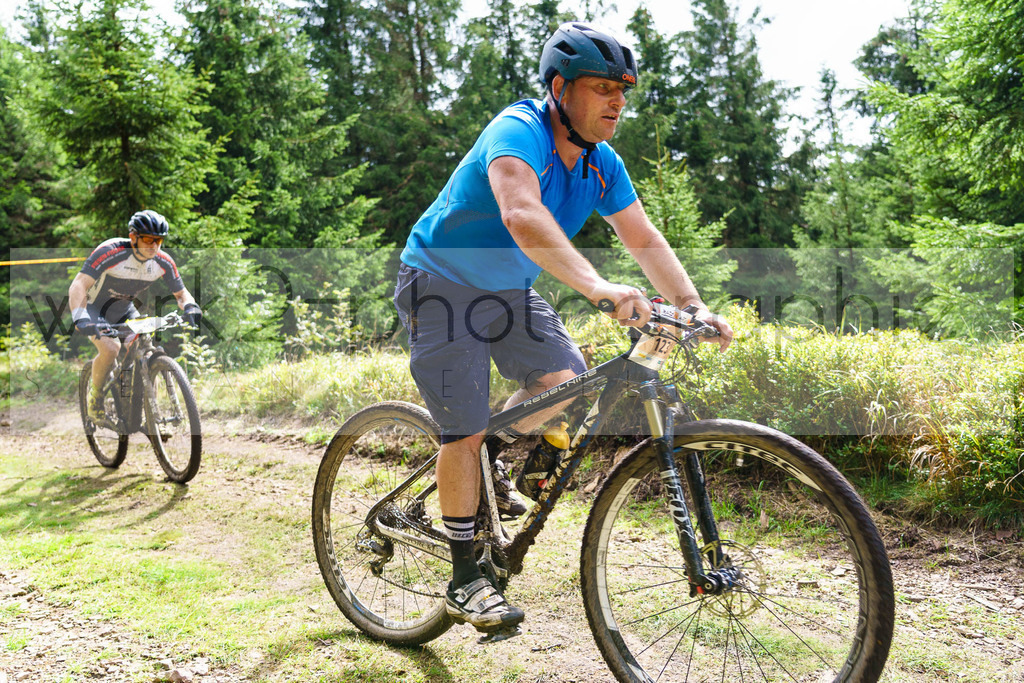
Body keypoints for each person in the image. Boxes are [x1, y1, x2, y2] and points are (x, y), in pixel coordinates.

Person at [393, 22, 734, 635]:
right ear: (559, 88)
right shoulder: (518, 130)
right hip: (440, 283)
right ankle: (466, 577)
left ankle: (487, 459)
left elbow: (643, 237)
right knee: (463, 429)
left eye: (623, 91)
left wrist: (692, 305)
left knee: (566, 382)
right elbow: (521, 213)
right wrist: (599, 288)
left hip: (506, 290)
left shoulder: (602, 164)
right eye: (603, 88)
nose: (617, 102)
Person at [68, 210, 202, 420]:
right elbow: (79, 284)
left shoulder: (163, 262)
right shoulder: (110, 252)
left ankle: (152, 416)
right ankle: (95, 400)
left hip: (124, 310)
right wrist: (80, 317)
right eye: (149, 239)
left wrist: (191, 306)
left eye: (159, 240)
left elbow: (181, 293)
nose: (154, 246)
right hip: (95, 309)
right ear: (133, 237)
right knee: (111, 348)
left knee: (146, 353)